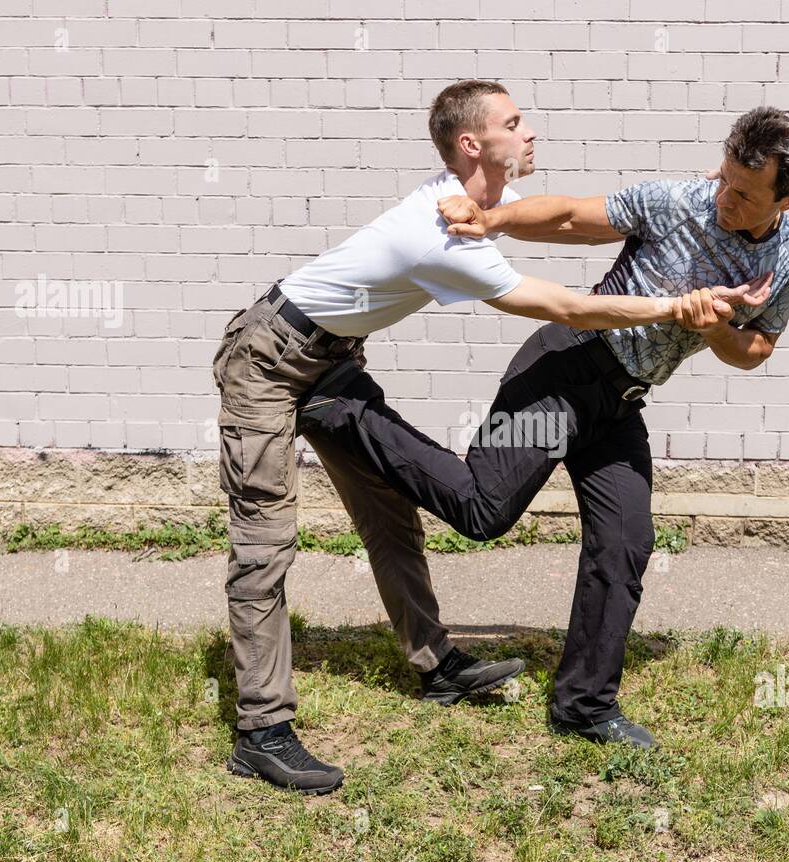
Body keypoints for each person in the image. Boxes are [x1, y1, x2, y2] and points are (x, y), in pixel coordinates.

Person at [214, 79, 736, 794]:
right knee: (265, 545)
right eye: (514, 123)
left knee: (391, 522)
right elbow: (566, 307)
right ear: (472, 143)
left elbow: (561, 217)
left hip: (331, 361)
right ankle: (261, 730)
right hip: (269, 362)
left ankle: (437, 668)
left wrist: (718, 197)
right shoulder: (442, 232)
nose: (529, 133)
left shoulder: (477, 210)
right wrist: (674, 305)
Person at [299, 106, 789, 750]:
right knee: (483, 510)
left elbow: (754, 351)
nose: (724, 199)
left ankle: (584, 706)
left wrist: (712, 326)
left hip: (621, 402)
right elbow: (572, 216)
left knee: (625, 541)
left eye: (744, 195)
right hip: (567, 368)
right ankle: (341, 405)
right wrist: (493, 219)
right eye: (724, 180)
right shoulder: (675, 201)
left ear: (788, 199)